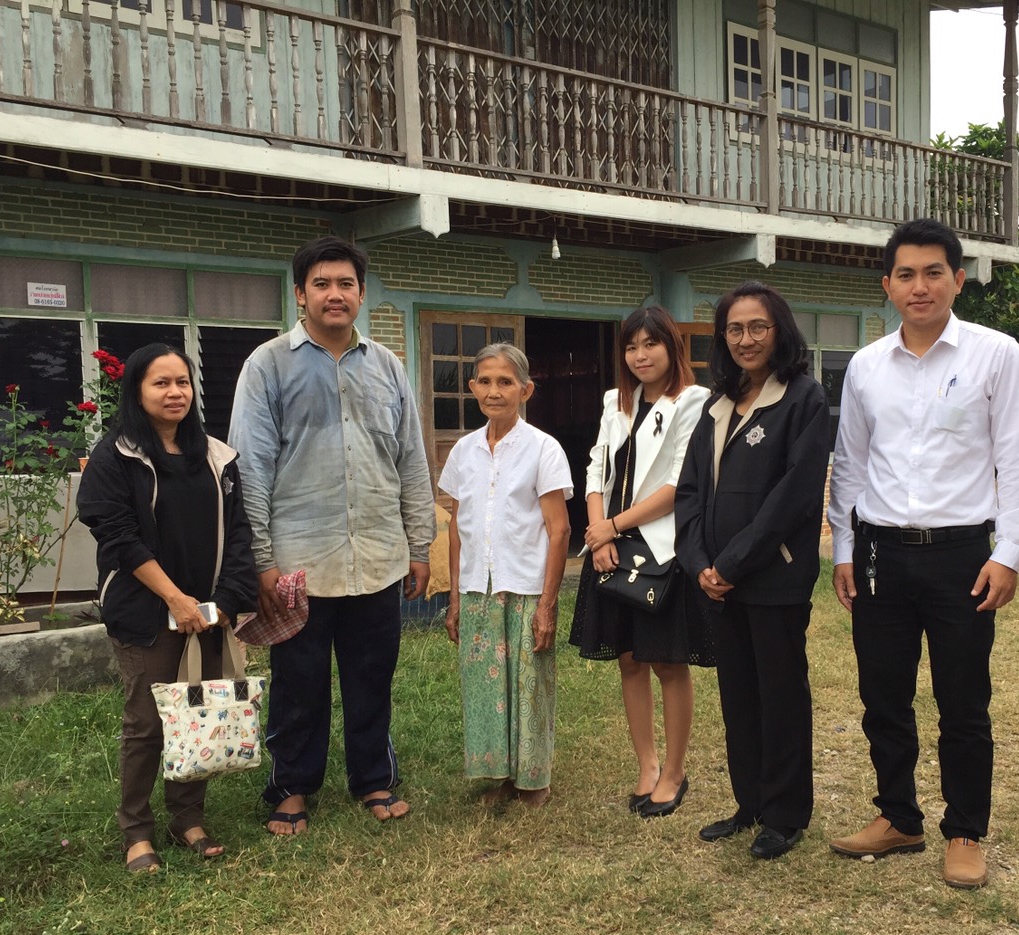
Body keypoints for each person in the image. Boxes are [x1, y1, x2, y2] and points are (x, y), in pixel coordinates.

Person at [827, 217, 1019, 890]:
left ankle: (965, 831)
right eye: (906, 275)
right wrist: (842, 547)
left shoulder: (995, 355)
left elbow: (1016, 460)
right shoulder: (866, 366)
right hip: (880, 553)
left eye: (933, 273)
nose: (920, 287)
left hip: (962, 556)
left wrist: (1009, 552)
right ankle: (898, 817)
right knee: (882, 695)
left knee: (963, 701)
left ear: (958, 279)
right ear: (887, 285)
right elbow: (850, 463)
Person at [228, 236, 435, 835]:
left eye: (346, 284)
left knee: (373, 675)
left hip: (378, 555)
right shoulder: (267, 366)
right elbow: (251, 467)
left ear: (362, 294)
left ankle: (373, 777)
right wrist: (262, 560)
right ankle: (292, 786)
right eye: (321, 284)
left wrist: (419, 545)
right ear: (301, 294)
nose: (334, 294)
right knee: (300, 682)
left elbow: (411, 459)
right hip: (299, 562)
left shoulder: (388, 366)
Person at [77, 343, 258, 873]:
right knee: (147, 724)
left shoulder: (216, 456)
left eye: (182, 382)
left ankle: (187, 817)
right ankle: (136, 830)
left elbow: (239, 533)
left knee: (197, 711)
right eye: (161, 383)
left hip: (208, 613)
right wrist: (175, 600)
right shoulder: (115, 457)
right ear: (137, 391)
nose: (175, 392)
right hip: (147, 612)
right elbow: (119, 537)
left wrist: (226, 601)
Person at [675, 281, 829, 860]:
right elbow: (690, 491)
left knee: (780, 695)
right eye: (734, 329)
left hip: (773, 578)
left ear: (779, 330)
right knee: (738, 695)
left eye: (757, 327)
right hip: (718, 584)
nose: (746, 339)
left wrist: (733, 563)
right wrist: (699, 564)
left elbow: (794, 497)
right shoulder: (717, 403)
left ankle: (785, 814)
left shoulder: (803, 398)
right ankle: (750, 804)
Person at [569, 307, 713, 818]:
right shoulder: (616, 400)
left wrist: (614, 525)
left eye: (651, 344)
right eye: (631, 346)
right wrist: (597, 533)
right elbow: (595, 470)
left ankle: (674, 772)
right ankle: (647, 766)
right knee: (629, 660)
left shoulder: (693, 400)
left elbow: (678, 484)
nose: (640, 355)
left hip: (660, 547)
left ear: (672, 346)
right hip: (609, 546)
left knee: (668, 662)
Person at [439, 344, 573, 806]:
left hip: (526, 588)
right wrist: (454, 598)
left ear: (525, 390)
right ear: (472, 387)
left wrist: (547, 605)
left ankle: (533, 781)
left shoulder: (543, 449)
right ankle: (499, 777)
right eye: (485, 381)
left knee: (528, 686)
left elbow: (559, 530)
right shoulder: (463, 451)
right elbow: (457, 528)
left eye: (505, 382)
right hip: (478, 589)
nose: (494, 391)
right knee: (486, 688)